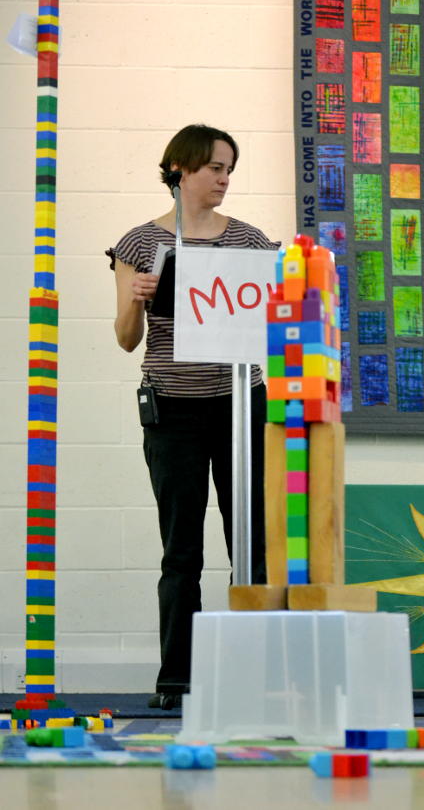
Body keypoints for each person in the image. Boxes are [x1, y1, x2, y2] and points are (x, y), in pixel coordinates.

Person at [107, 124, 280, 709]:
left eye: (230, 168)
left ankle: (253, 673)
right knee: (181, 549)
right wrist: (136, 299)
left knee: (250, 542)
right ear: (181, 169)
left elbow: (272, 328)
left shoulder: (253, 243)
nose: (224, 179)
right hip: (172, 411)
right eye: (214, 168)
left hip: (241, 405)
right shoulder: (139, 244)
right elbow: (127, 340)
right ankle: (176, 676)